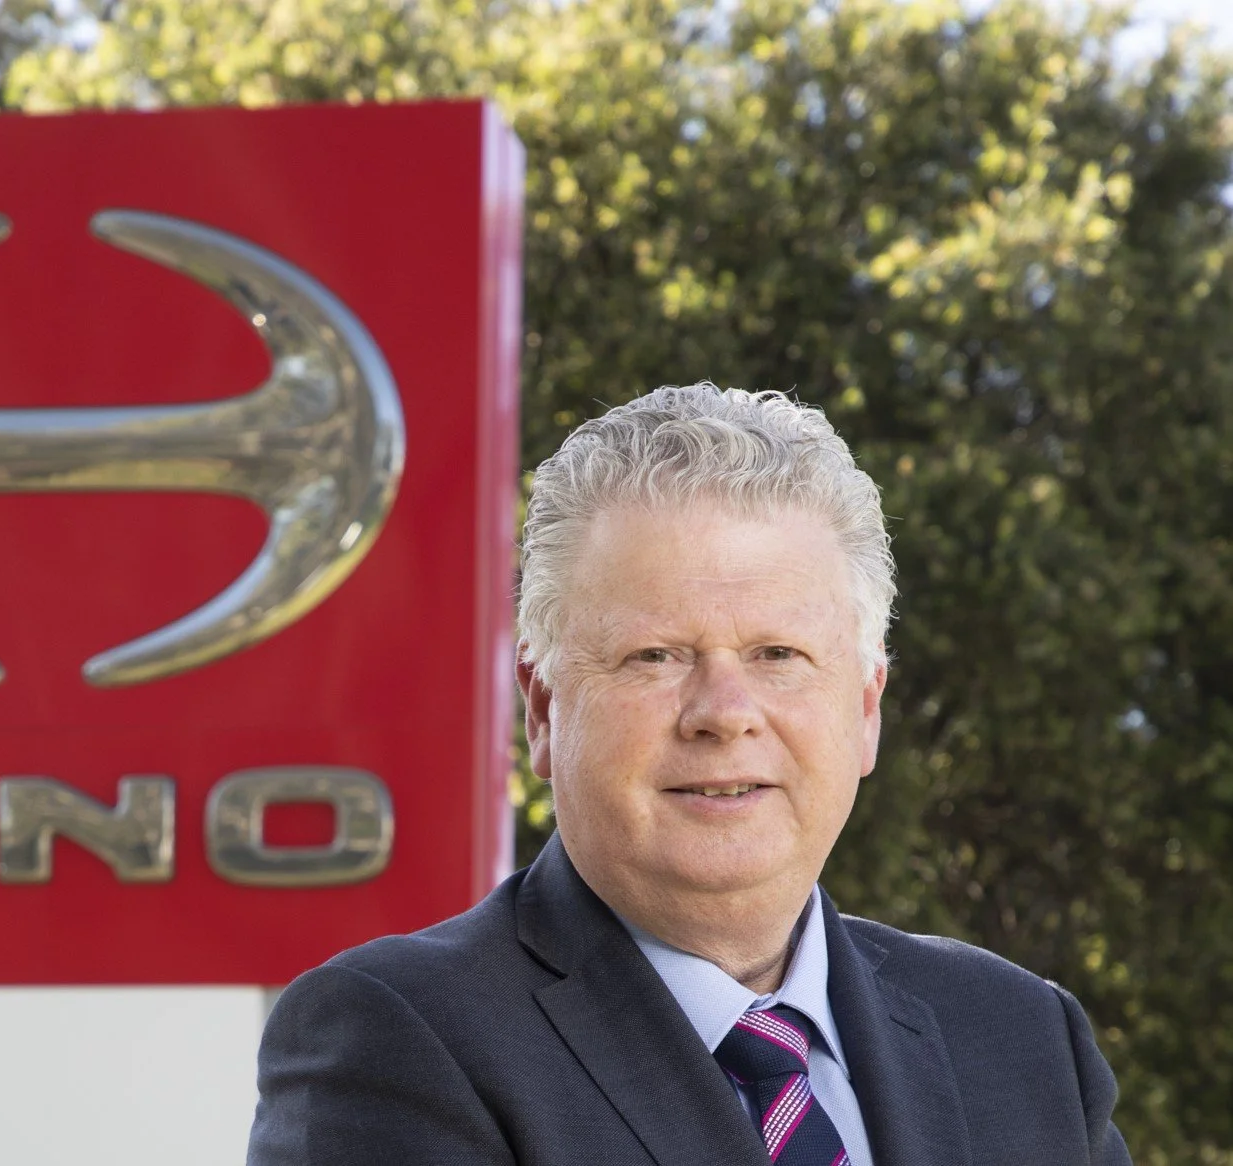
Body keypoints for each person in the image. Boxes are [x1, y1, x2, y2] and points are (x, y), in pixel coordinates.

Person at [246, 384, 1130, 1165]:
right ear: (543, 709)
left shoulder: (1023, 1041)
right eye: (655, 655)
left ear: (865, 710)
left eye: (778, 654)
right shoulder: (395, 1040)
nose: (723, 711)